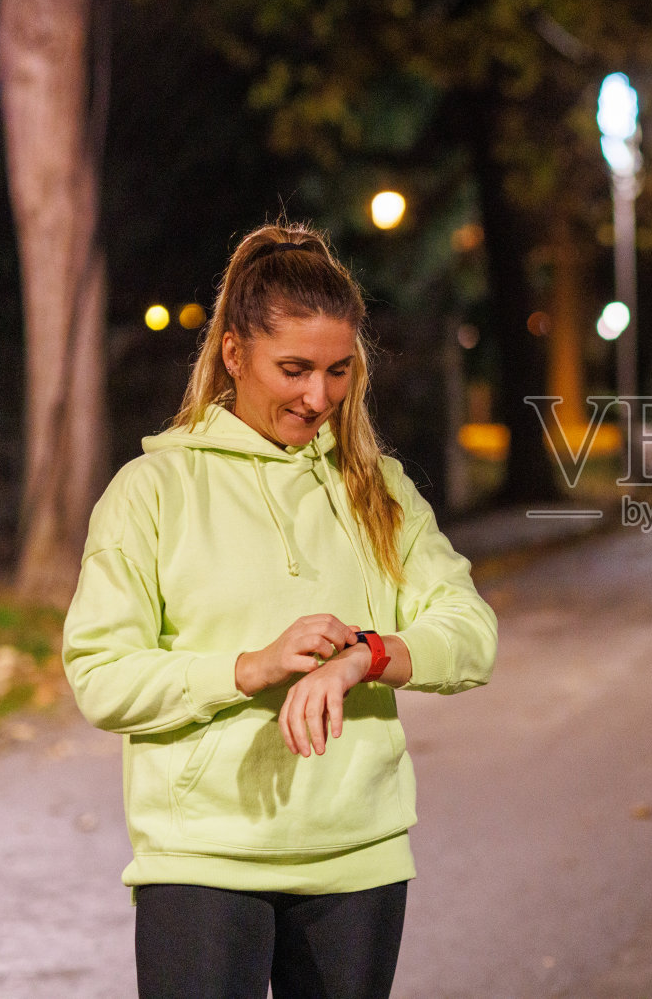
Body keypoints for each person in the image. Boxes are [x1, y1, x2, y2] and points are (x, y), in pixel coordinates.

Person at [61, 223, 498, 998]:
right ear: (234, 353)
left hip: (357, 854)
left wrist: (366, 653)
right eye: (293, 368)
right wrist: (248, 668)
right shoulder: (152, 492)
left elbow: (470, 633)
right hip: (201, 856)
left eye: (338, 370)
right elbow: (100, 673)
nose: (318, 395)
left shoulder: (380, 489)